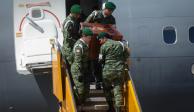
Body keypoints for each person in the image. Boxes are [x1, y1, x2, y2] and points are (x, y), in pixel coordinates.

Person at [97, 32, 129, 112]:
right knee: (118, 89)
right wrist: (121, 60)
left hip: (108, 71)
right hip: (119, 70)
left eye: (100, 40)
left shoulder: (103, 47)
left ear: (104, 38)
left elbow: (100, 60)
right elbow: (127, 53)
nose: (100, 42)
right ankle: (118, 109)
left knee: (106, 88)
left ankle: (111, 107)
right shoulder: (120, 44)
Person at [71, 28, 93, 104]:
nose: (90, 39)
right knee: (80, 89)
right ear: (84, 36)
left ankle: (84, 102)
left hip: (84, 69)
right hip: (78, 70)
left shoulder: (85, 44)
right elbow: (77, 61)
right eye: (89, 38)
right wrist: (79, 73)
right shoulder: (79, 46)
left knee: (87, 87)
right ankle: (78, 103)